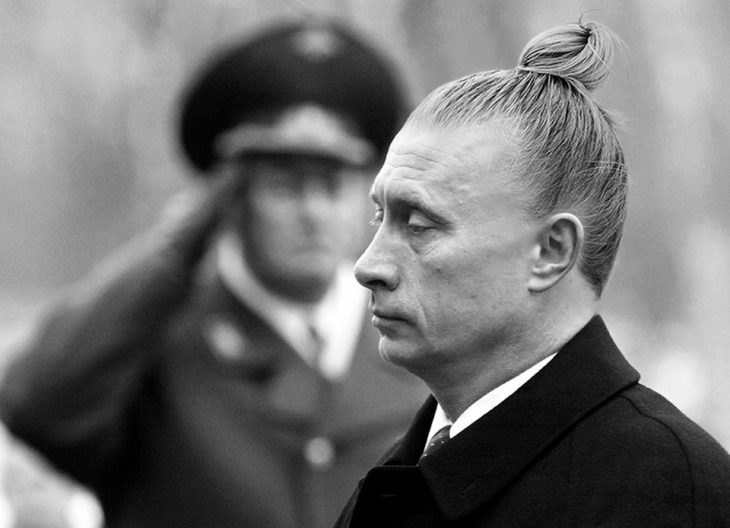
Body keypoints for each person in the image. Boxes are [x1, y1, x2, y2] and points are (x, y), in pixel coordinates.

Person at [0, 19, 428, 528]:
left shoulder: (415, 340)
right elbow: (37, 406)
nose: (313, 212)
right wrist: (175, 251)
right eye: (286, 186)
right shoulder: (154, 344)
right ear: (229, 198)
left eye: (334, 185)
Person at [335, 21, 730, 527]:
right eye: (380, 217)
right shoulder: (403, 472)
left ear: (550, 252)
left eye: (419, 225)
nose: (369, 266)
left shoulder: (663, 491)